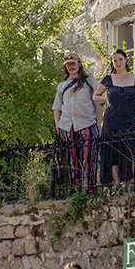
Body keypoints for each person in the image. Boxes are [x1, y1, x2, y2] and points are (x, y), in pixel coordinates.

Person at [93, 49, 135, 191]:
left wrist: (126, 105)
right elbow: (95, 96)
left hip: (129, 119)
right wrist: (106, 99)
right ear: (112, 62)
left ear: (125, 60)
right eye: (115, 60)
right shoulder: (108, 79)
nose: (118, 62)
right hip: (111, 120)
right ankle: (117, 186)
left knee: (134, 151)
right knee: (112, 151)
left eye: (120, 59)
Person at [53, 51, 102, 191]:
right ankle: (76, 190)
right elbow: (57, 108)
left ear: (79, 64)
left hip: (87, 123)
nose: (71, 67)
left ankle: (90, 189)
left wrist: (98, 126)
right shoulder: (62, 86)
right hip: (67, 126)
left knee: (88, 158)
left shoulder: (90, 82)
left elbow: (98, 105)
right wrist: (58, 127)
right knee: (71, 160)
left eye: (73, 63)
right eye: (68, 64)